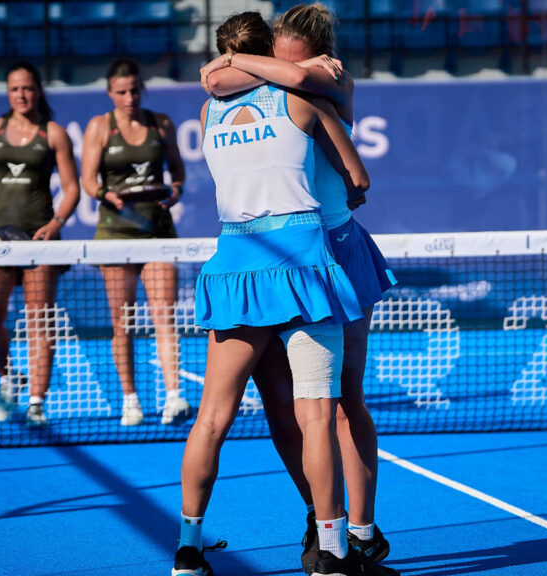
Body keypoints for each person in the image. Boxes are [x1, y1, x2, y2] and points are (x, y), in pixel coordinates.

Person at [200, 3, 398, 574]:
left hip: (333, 250)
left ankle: (359, 533)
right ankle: (323, 521)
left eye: (279, 59)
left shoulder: (328, 80)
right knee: (291, 407)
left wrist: (250, 62)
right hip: (281, 256)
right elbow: (213, 76)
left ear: (312, 55)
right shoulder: (273, 79)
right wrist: (253, 64)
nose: (266, 69)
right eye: (264, 56)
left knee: (342, 400)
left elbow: (252, 74)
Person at [0, 61, 81, 427]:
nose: (21, 95)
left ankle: (37, 402)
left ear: (37, 90)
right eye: (14, 89)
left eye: (27, 88)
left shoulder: (54, 133)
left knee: (40, 322)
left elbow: (71, 189)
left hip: (40, 245)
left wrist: (56, 223)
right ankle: (9, 377)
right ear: (7, 94)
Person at [80, 58, 191, 427]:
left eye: (134, 90)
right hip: (115, 236)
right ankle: (131, 399)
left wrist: (175, 191)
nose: (129, 97)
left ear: (141, 90)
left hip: (158, 234)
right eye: (121, 92)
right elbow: (87, 179)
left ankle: (174, 396)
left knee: (165, 316)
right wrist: (104, 194)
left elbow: (177, 170)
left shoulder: (161, 123)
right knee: (120, 322)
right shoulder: (99, 127)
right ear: (111, 93)